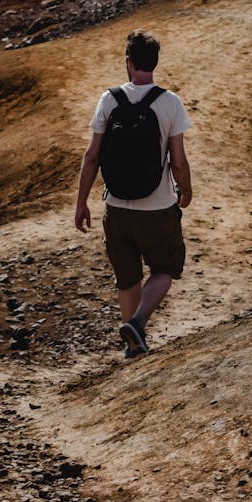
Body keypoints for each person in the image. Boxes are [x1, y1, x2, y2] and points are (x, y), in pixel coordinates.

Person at [75, 29, 192, 358]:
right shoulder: (170, 103)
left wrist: (81, 202)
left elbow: (92, 156)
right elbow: (178, 161)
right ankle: (138, 324)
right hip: (157, 208)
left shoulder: (108, 99)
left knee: (127, 278)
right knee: (165, 268)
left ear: (128, 62)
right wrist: (186, 191)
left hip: (116, 208)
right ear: (154, 62)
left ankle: (133, 348)